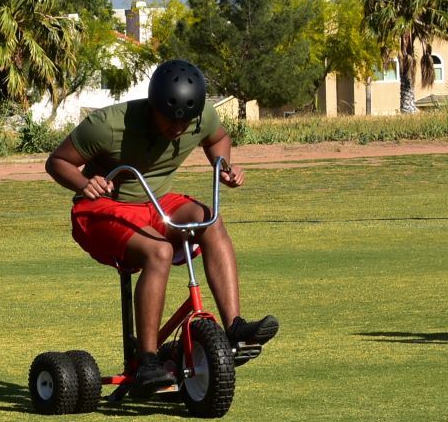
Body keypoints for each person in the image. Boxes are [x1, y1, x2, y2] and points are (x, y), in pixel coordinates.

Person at [43, 58, 279, 390]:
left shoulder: (201, 117)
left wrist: (224, 165)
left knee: (209, 220)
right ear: (153, 105)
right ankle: (149, 361)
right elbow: (57, 161)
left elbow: (217, 137)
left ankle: (235, 327)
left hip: (157, 203)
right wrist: (84, 183)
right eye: (170, 120)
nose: (178, 129)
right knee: (159, 252)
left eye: (186, 121)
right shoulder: (108, 124)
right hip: (101, 208)